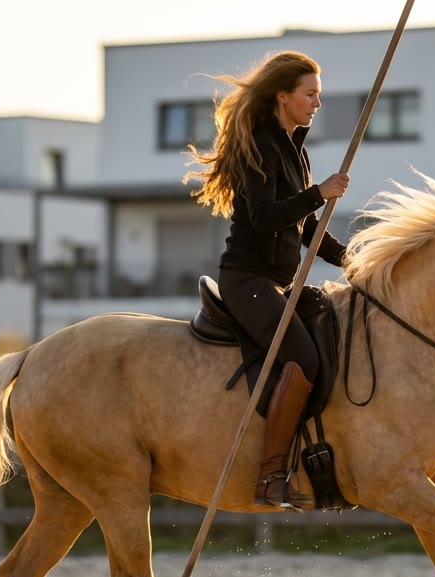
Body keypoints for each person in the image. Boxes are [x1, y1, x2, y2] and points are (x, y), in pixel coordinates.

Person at [184, 50, 350, 509]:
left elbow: (307, 228)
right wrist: (319, 193)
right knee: (303, 357)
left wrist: (355, 261)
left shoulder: (296, 150)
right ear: (282, 96)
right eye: (310, 94)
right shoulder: (260, 145)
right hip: (247, 280)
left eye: (318, 95)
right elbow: (263, 218)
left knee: (330, 325)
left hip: (278, 283)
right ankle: (271, 477)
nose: (317, 103)